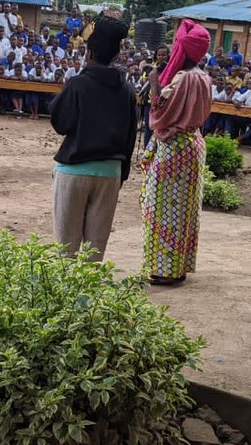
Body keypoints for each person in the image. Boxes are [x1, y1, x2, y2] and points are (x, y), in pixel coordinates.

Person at [49, 16, 137, 262]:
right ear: (116, 55)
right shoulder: (127, 90)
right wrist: (121, 174)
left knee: (66, 251)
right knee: (94, 253)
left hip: (74, 170)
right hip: (110, 173)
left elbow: (61, 124)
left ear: (89, 52)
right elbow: (131, 136)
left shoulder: (78, 84)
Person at [141, 19, 213, 286]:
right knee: (185, 208)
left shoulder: (184, 78)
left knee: (163, 208)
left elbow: (161, 110)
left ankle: (164, 270)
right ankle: (179, 266)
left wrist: (154, 84)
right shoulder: (204, 76)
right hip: (194, 144)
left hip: (175, 147)